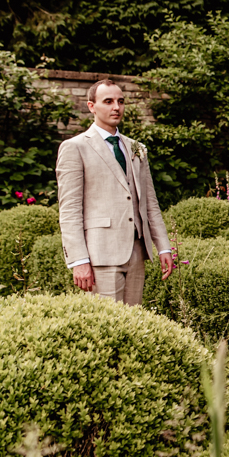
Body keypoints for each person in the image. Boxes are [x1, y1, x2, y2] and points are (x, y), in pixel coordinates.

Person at [56, 79, 175, 306]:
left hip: (136, 252)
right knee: (106, 327)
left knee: (133, 324)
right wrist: (79, 260)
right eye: (108, 101)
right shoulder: (75, 147)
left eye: (120, 101)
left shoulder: (136, 148)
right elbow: (69, 210)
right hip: (100, 254)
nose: (116, 107)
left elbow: (150, 203)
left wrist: (163, 247)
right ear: (92, 106)